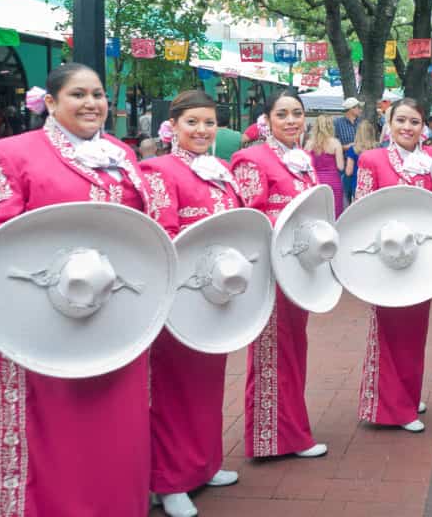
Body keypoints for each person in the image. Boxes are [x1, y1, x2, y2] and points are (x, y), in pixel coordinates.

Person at [0, 62, 151, 516]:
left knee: (116, 424)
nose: (91, 103)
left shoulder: (120, 155)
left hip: (114, 314)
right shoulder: (8, 153)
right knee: (51, 422)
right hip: (41, 314)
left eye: (97, 94)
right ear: (50, 102)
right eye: (77, 94)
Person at [140, 90, 243, 517]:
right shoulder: (158, 170)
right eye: (193, 123)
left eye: (209, 123)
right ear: (173, 127)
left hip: (215, 291)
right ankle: (170, 480)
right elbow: (163, 232)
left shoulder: (221, 169)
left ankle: (203, 463)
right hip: (180, 290)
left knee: (208, 380)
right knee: (173, 386)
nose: (202, 130)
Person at [231, 89, 328, 461]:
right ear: (267, 119)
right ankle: (273, 437)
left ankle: (289, 429)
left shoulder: (301, 160)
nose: (291, 121)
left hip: (297, 269)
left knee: (293, 350)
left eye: (297, 113)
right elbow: (247, 220)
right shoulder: (252, 159)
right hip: (270, 269)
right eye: (283, 114)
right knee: (273, 352)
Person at [354, 98, 432, 433]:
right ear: (388, 124)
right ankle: (392, 408)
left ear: (424, 127)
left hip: (422, 261)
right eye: (401, 121)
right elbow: (360, 210)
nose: (408, 128)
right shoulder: (372, 159)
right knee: (389, 330)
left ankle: (408, 394)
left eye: (415, 121)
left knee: (415, 330)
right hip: (387, 260)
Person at [305, 115, 346, 218]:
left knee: (316, 212)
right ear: (330, 126)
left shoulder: (309, 144)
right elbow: (340, 166)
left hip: (315, 182)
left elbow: (305, 166)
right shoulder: (335, 143)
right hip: (333, 183)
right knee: (334, 212)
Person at [345, 121, 378, 204]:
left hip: (358, 185)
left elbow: (349, 172)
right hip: (375, 185)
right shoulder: (378, 147)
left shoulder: (353, 149)